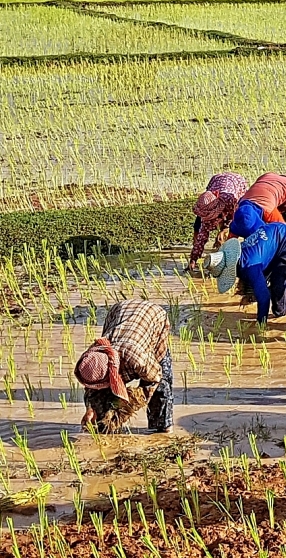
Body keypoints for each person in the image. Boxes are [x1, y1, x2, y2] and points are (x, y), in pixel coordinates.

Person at [75, 299, 173, 434]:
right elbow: (92, 389)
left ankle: (163, 427)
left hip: (153, 318)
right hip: (119, 312)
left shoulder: (138, 360)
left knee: (161, 386)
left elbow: (155, 378)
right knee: (100, 405)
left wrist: (128, 404)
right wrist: (91, 409)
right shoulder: (93, 357)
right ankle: (102, 427)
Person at [230, 173, 286, 268]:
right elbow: (230, 245)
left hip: (285, 186)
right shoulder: (240, 214)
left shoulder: (269, 211)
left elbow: (285, 234)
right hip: (265, 180)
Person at [238, 221, 286, 325]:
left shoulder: (250, 266)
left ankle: (281, 308)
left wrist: (260, 324)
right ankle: (260, 291)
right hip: (272, 241)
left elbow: (264, 298)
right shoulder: (240, 255)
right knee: (258, 282)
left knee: (279, 286)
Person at [188, 172, 247, 273]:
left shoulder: (231, 200)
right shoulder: (206, 204)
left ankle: (229, 258)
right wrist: (193, 259)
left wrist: (224, 229)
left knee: (226, 234)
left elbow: (233, 218)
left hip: (237, 183)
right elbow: (201, 239)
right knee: (202, 230)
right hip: (216, 181)